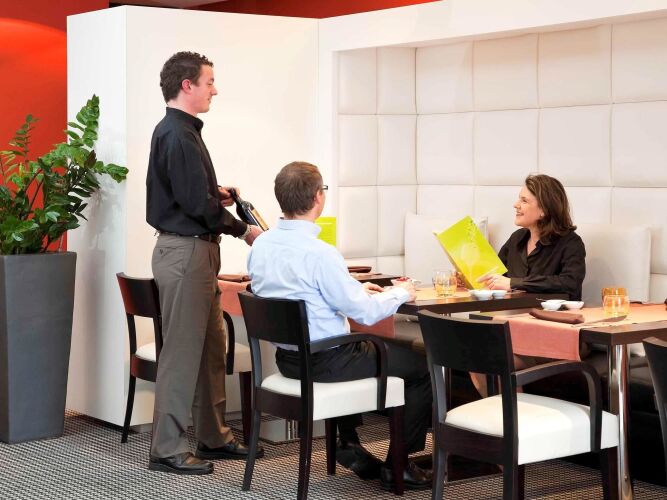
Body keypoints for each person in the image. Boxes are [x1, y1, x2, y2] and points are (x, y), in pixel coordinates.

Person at [247, 161, 433, 490]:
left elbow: (301, 293)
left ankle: (348, 441)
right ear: (318, 197)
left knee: (354, 344)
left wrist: (354, 287)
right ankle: (398, 467)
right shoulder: (321, 253)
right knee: (422, 367)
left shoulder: (261, 245)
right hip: (327, 363)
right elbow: (366, 313)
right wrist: (401, 293)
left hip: (288, 361)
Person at [145, 51, 263, 475]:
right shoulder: (178, 135)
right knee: (182, 354)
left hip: (195, 253)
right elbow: (196, 205)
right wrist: (243, 230)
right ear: (187, 85)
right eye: (209, 82)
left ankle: (214, 436)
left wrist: (216, 194)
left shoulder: (181, 131)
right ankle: (167, 449)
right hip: (186, 254)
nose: (215, 90)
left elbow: (191, 194)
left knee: (214, 347)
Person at [473, 173, 586, 396]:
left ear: (544, 209)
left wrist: (513, 283)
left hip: (554, 332)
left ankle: (514, 415)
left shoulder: (570, 243)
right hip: (515, 328)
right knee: (475, 356)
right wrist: (472, 277)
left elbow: (570, 282)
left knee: (491, 358)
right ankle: (506, 415)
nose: (516, 205)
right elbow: (496, 275)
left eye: (524, 200)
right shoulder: (517, 239)